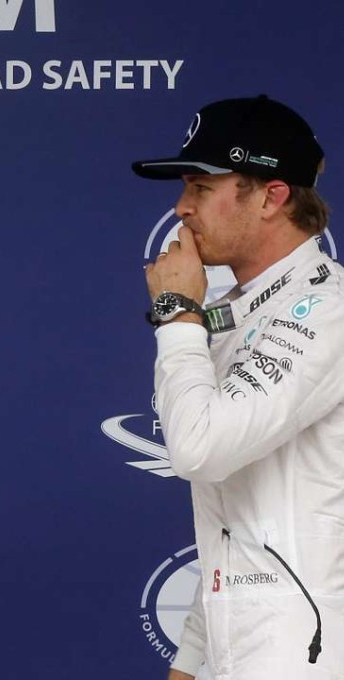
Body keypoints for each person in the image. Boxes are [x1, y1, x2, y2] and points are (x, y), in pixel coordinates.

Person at [134, 95, 341, 680]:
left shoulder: (327, 310)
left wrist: (176, 314)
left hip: (309, 658)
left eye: (200, 187)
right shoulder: (234, 311)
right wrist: (191, 661)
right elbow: (240, 529)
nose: (181, 207)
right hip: (241, 652)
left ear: (272, 196)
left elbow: (200, 450)